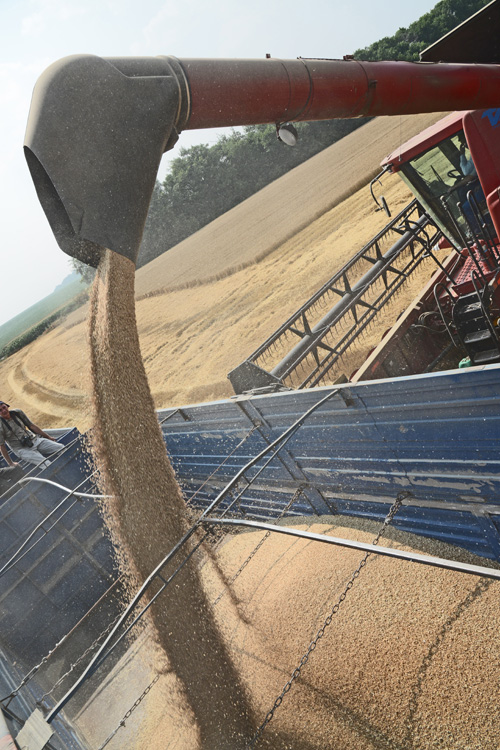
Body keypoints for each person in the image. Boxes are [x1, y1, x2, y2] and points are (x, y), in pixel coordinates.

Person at [0, 401, 64, 468]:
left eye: (4, 407)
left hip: (33, 440)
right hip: (22, 449)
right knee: (45, 463)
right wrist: (11, 463)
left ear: (7, 406)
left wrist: (48, 437)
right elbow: (1, 446)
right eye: (0, 410)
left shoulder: (17, 413)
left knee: (61, 448)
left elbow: (31, 426)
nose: (4, 411)